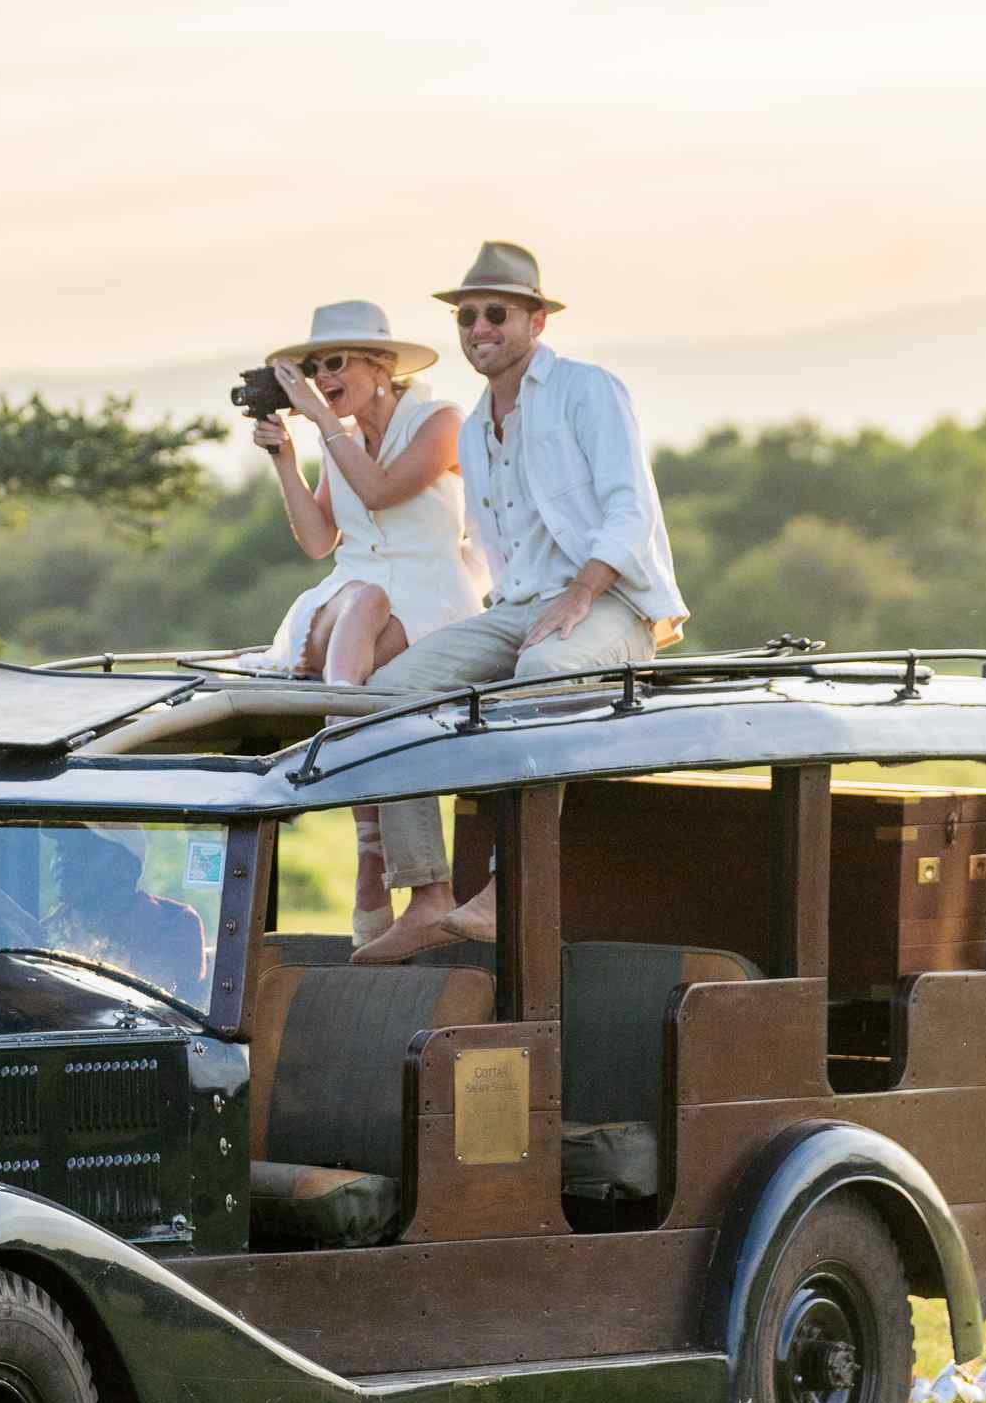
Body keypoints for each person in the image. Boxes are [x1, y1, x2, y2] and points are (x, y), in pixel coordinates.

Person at [351, 241, 686, 967]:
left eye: (495, 313)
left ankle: (509, 893)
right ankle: (429, 897)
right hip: (519, 606)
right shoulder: (474, 426)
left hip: (610, 603)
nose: (478, 328)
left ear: (537, 320)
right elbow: (488, 550)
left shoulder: (587, 390)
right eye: (466, 316)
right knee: (386, 693)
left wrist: (583, 589)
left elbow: (631, 512)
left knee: (539, 671)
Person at [252, 298, 487, 942]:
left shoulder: (440, 421)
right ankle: (369, 840)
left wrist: (322, 421)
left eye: (335, 363)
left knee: (368, 609)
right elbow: (318, 540)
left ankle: (367, 849)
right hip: (357, 598)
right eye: (313, 368)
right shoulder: (341, 438)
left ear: (382, 365)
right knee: (362, 598)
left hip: (429, 598)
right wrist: (284, 458)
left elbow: (384, 491)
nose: (323, 379)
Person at [47, 825, 208, 1006]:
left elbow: (160, 1009)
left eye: (84, 851)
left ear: (129, 869)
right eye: (61, 849)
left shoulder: (172, 924)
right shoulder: (46, 930)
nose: (64, 860)